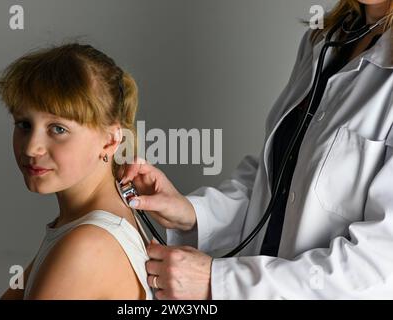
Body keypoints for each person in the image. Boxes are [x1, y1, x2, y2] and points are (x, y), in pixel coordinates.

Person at [120, 0, 393, 299]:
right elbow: (277, 180)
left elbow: (378, 267)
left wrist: (220, 281)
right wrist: (192, 214)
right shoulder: (324, 40)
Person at [0, 43, 153, 299]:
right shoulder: (82, 225)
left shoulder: (87, 246)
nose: (32, 147)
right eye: (24, 124)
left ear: (110, 141)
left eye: (58, 129)